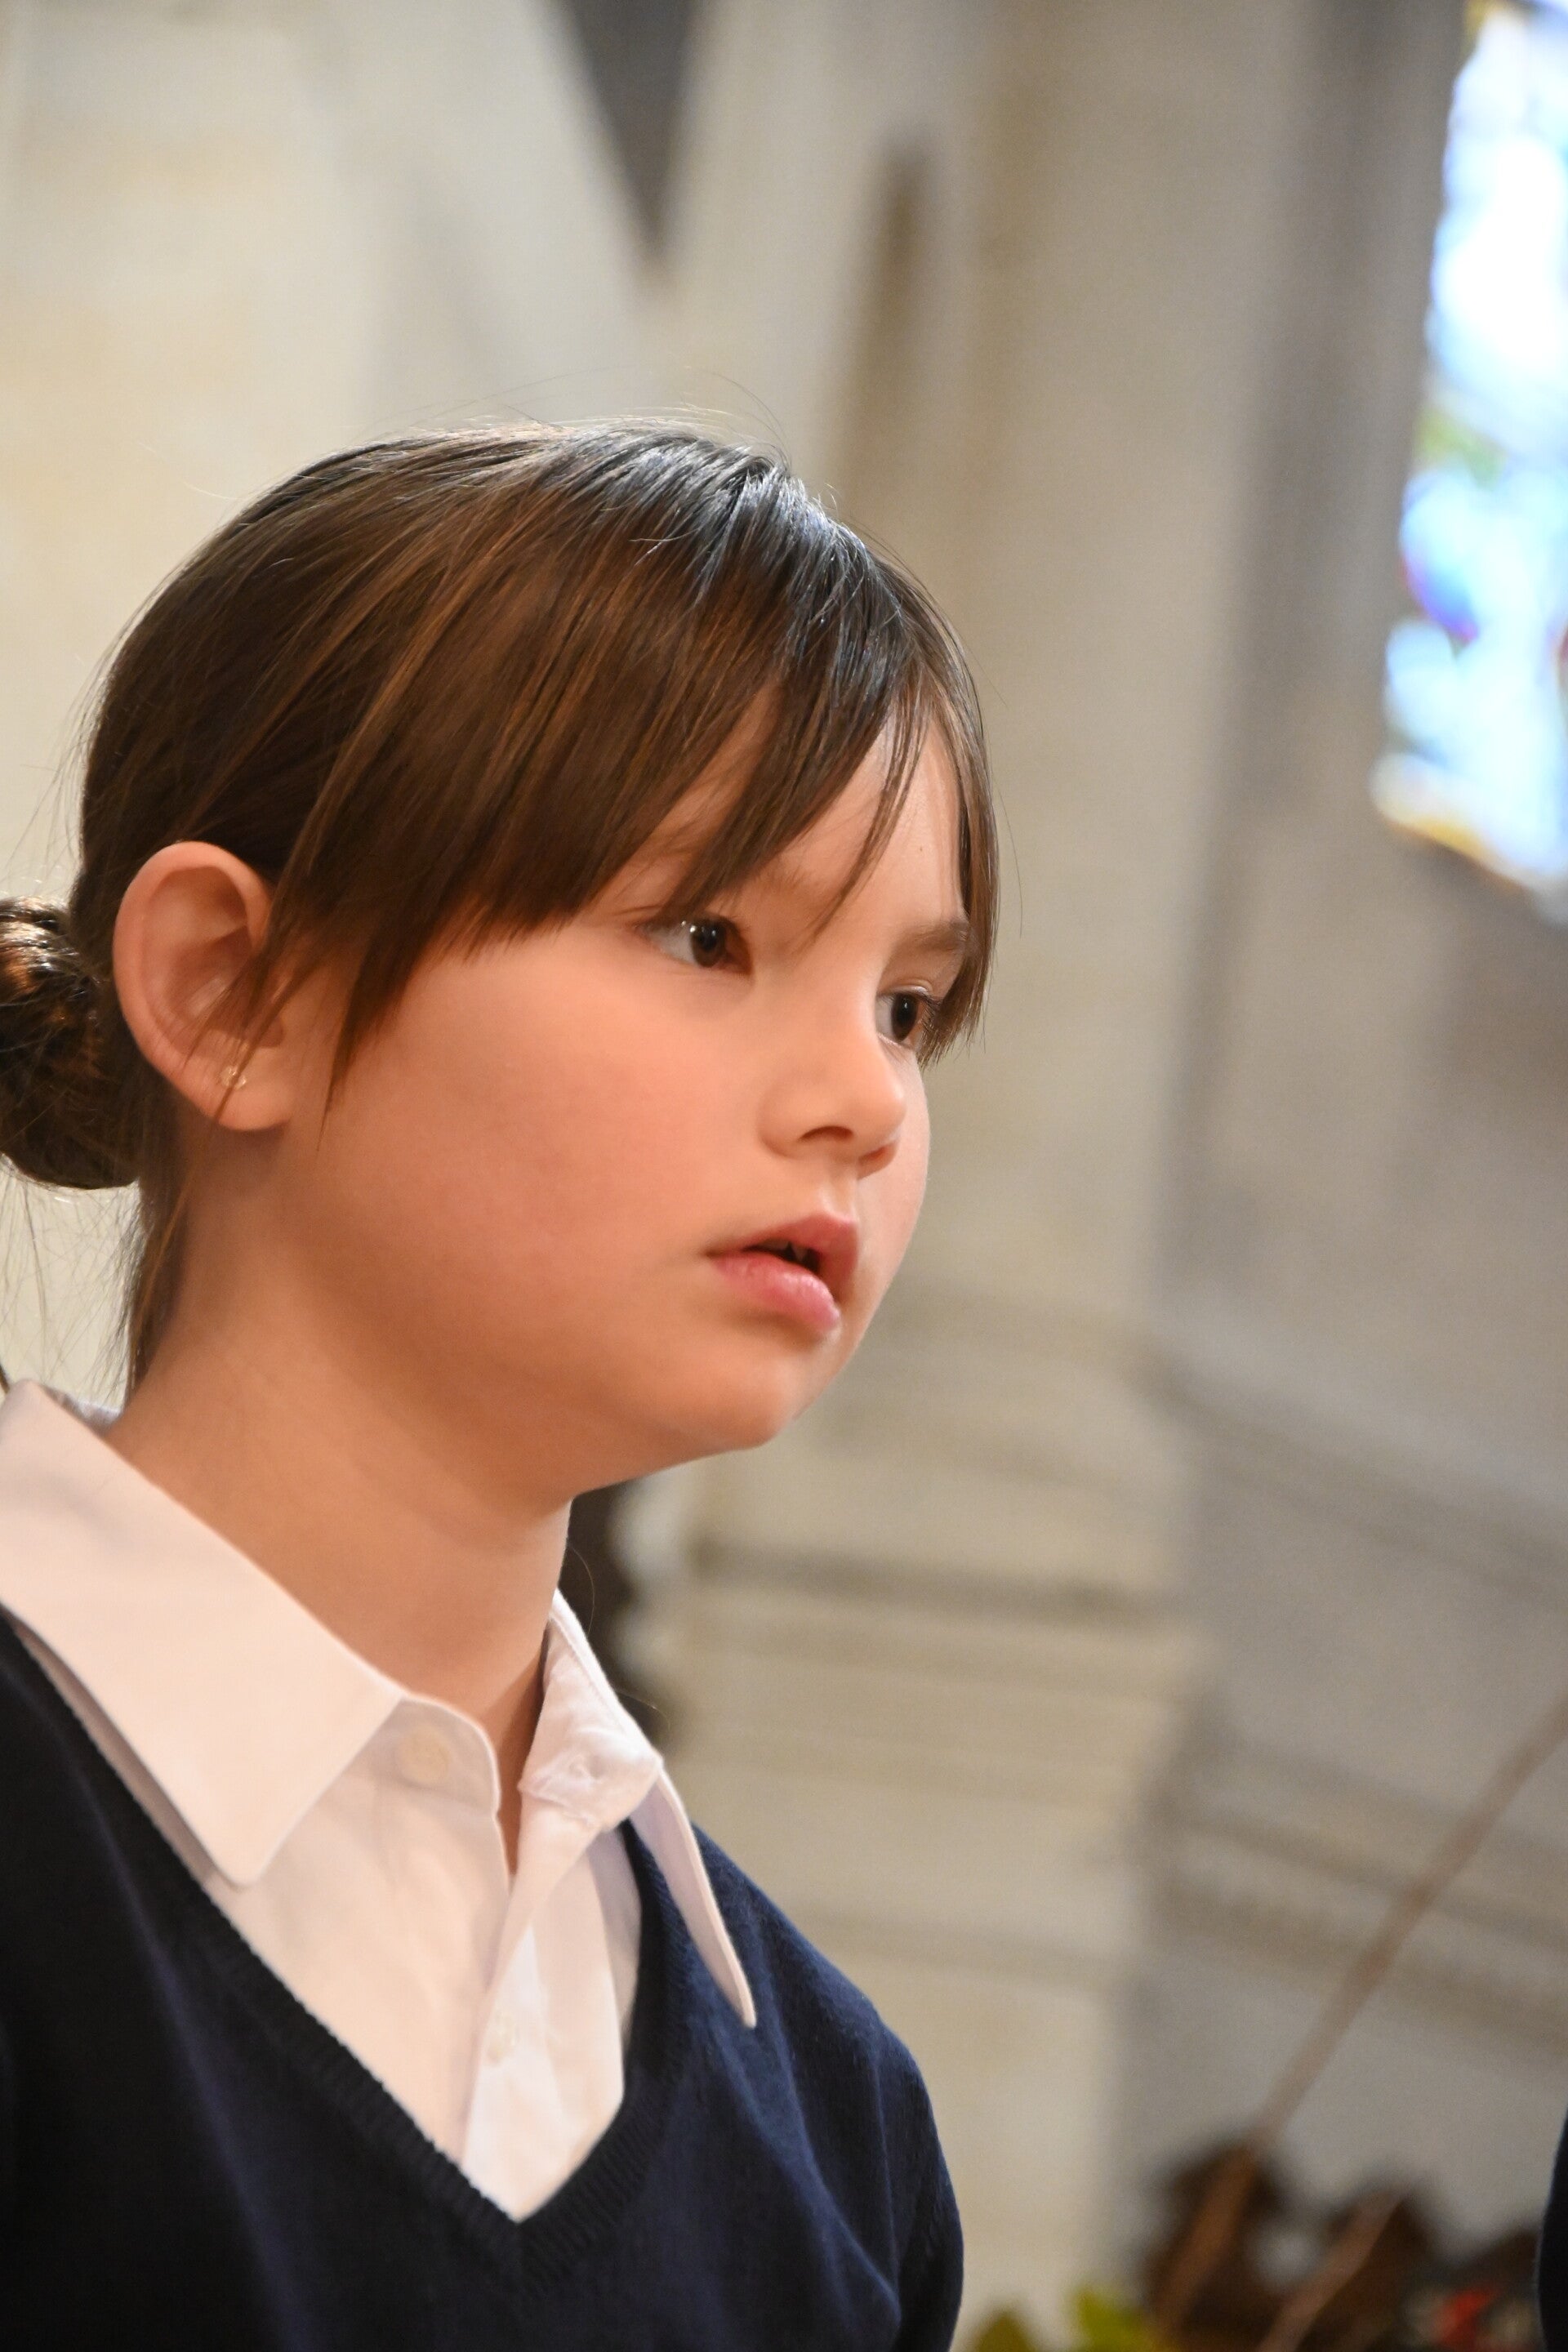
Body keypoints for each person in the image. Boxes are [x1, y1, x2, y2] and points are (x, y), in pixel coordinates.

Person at [0, 425, 997, 2349]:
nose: (868, 1103)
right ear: (232, 993)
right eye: (710, 935)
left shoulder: (843, 2135)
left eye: (909, 1006)